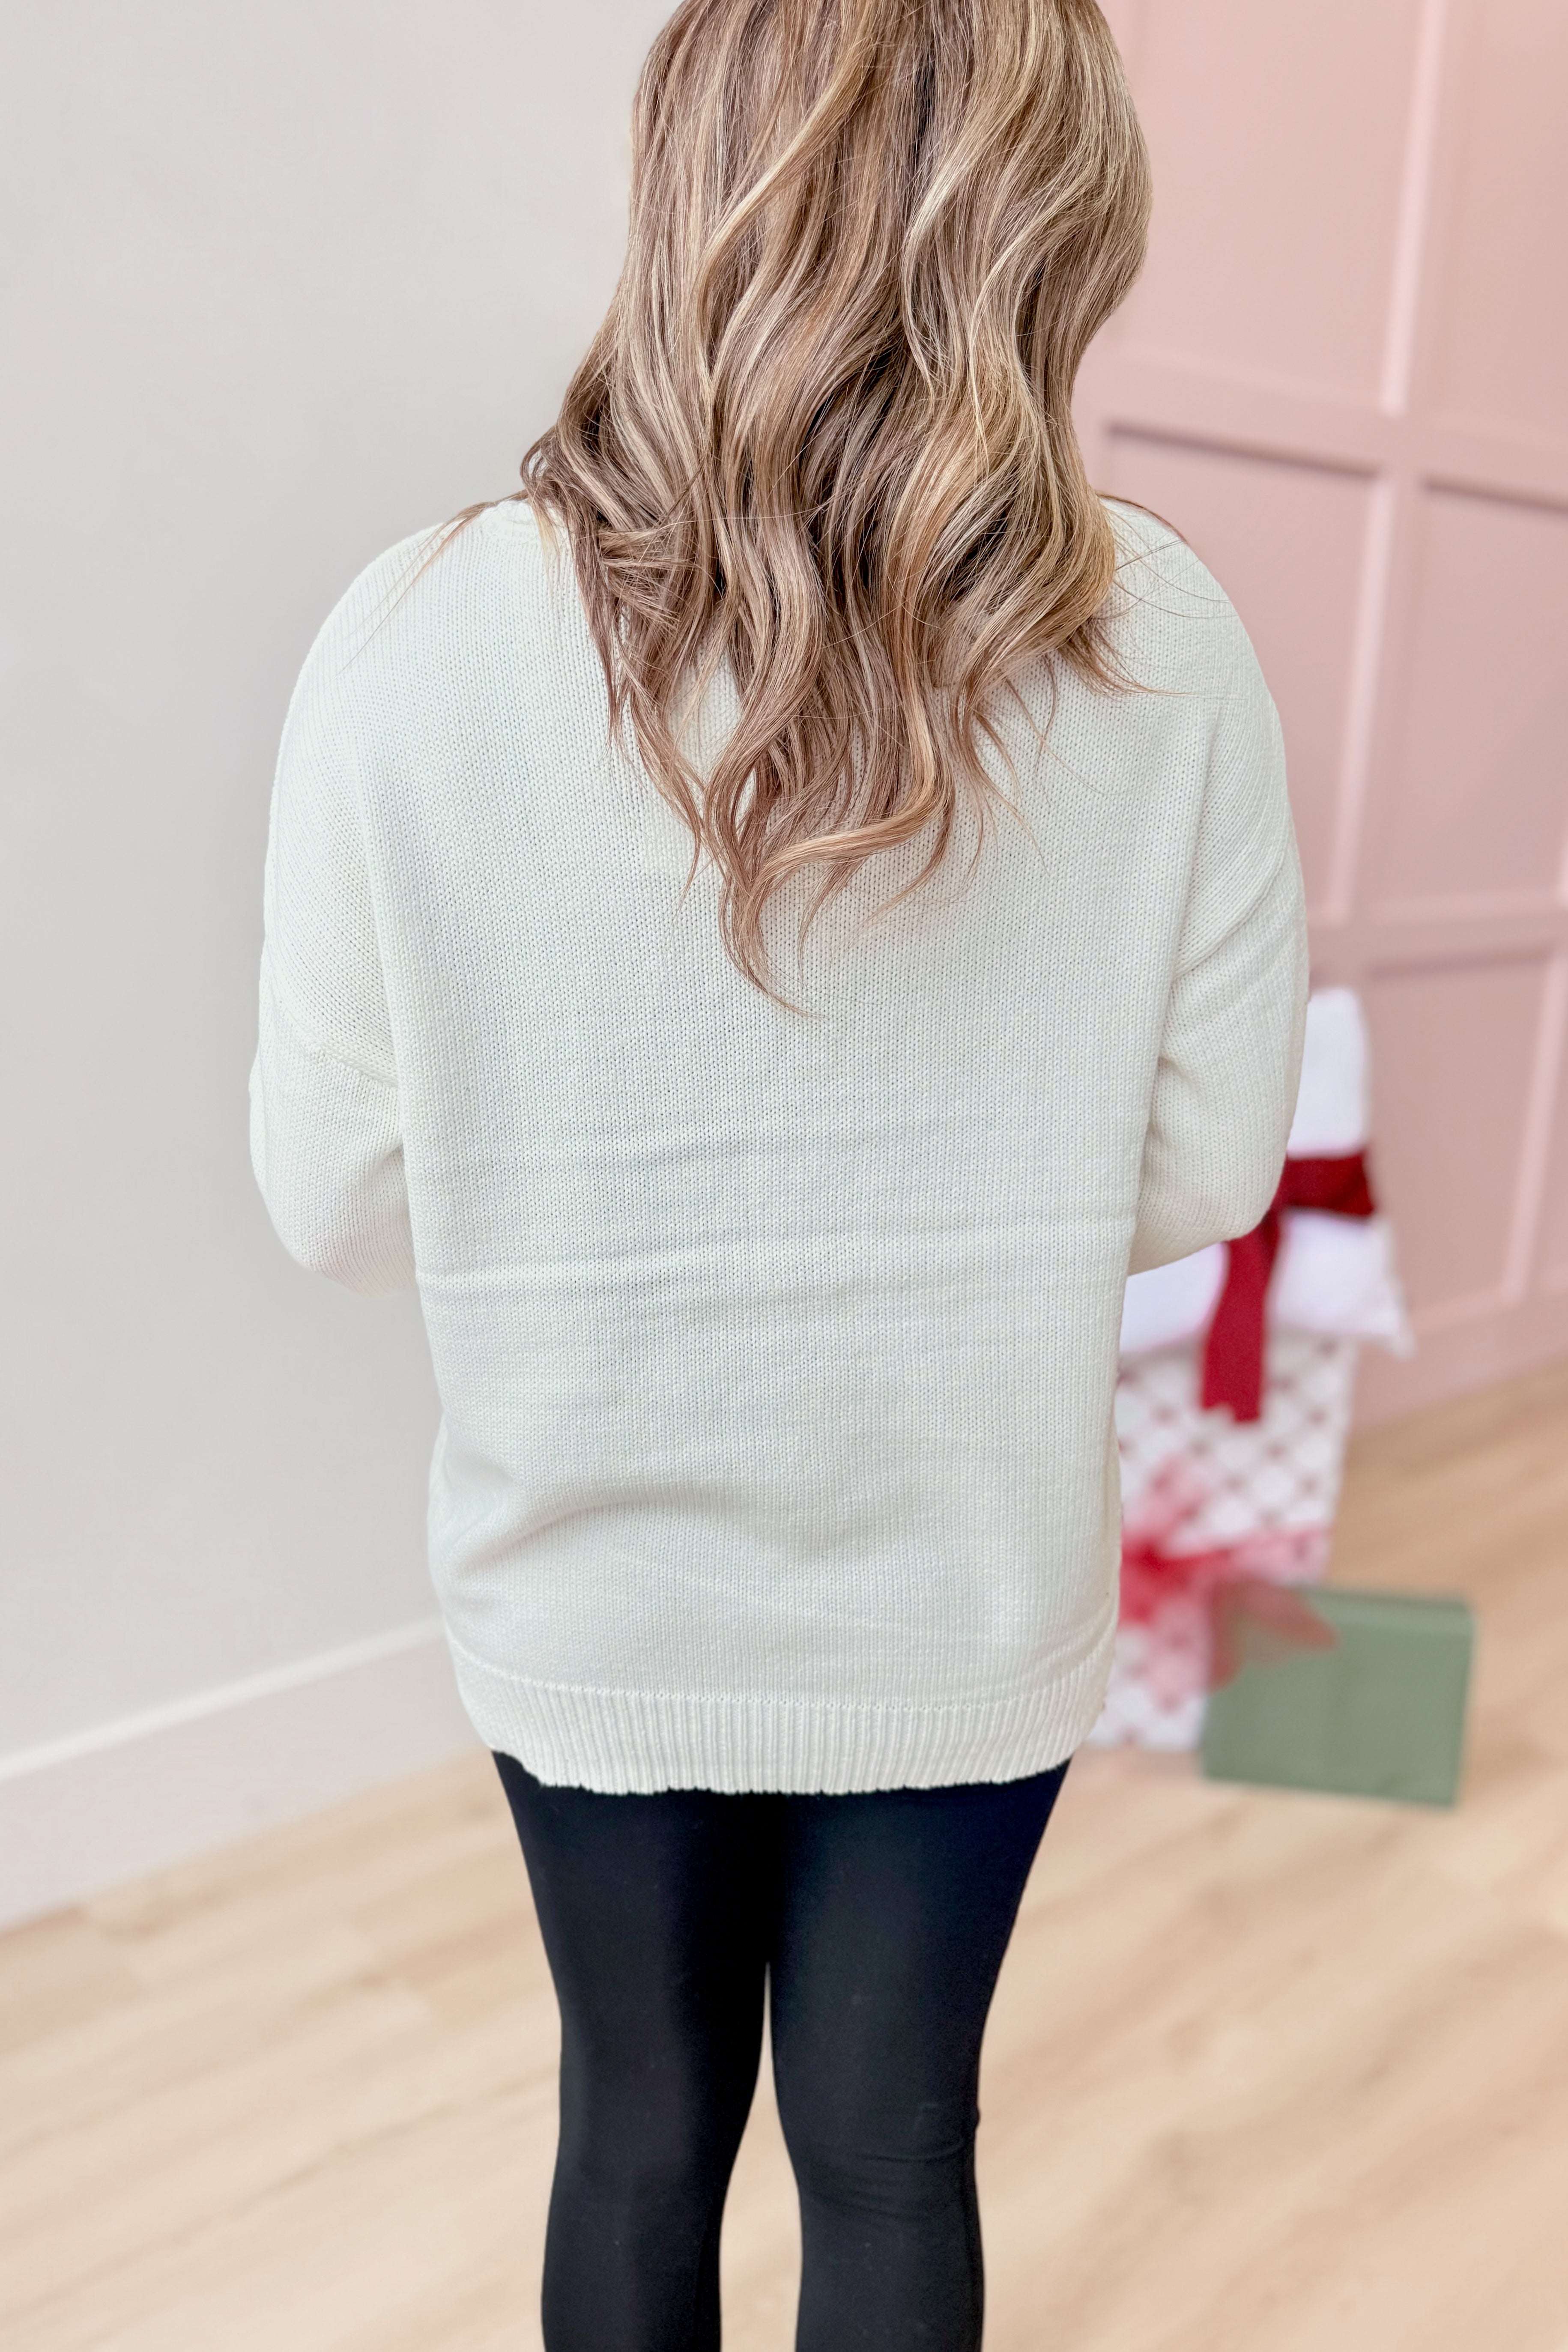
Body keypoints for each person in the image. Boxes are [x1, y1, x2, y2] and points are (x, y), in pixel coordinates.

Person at [249, 0, 1307, 2342]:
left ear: (685, 176)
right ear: (1054, 220)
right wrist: (959, 1206)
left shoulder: (413, 640)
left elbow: (335, 1192)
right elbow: (1211, 1159)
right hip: (966, 1579)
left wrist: (599, 1205)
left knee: (634, 2132)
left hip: (591, 1602)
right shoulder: (1163, 644)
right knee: (895, 2149)